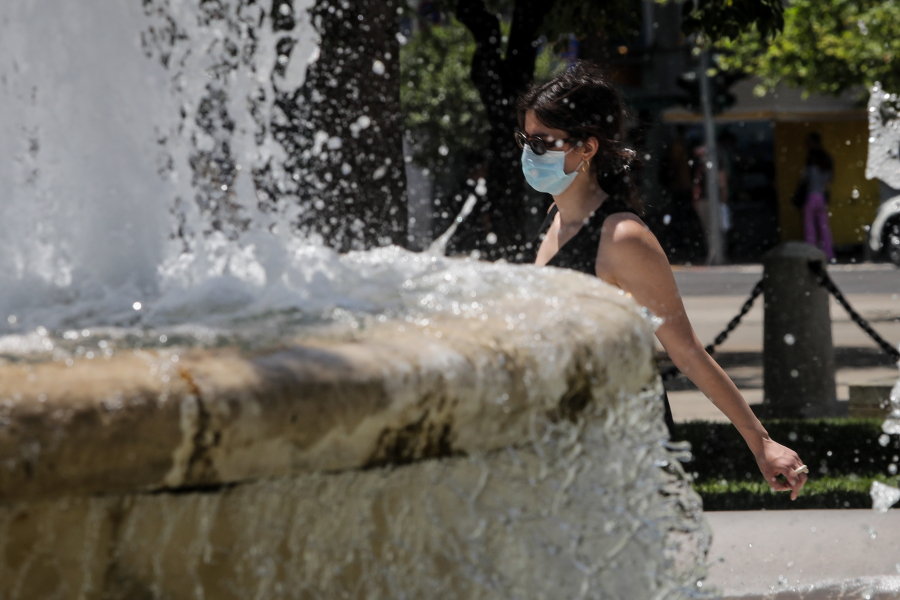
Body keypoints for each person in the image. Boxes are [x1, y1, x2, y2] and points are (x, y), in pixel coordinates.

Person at [517, 62, 807, 499]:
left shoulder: (622, 238)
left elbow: (686, 351)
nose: (530, 153)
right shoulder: (554, 219)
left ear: (587, 148)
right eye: (526, 140)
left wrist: (762, 443)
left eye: (542, 143)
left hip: (621, 445)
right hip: (561, 438)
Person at [801, 133, 835, 261]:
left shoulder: (811, 159)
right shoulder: (827, 159)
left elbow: (805, 177)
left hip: (811, 195)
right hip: (822, 195)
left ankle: (811, 253)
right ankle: (828, 253)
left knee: (810, 227)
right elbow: (829, 179)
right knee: (824, 227)